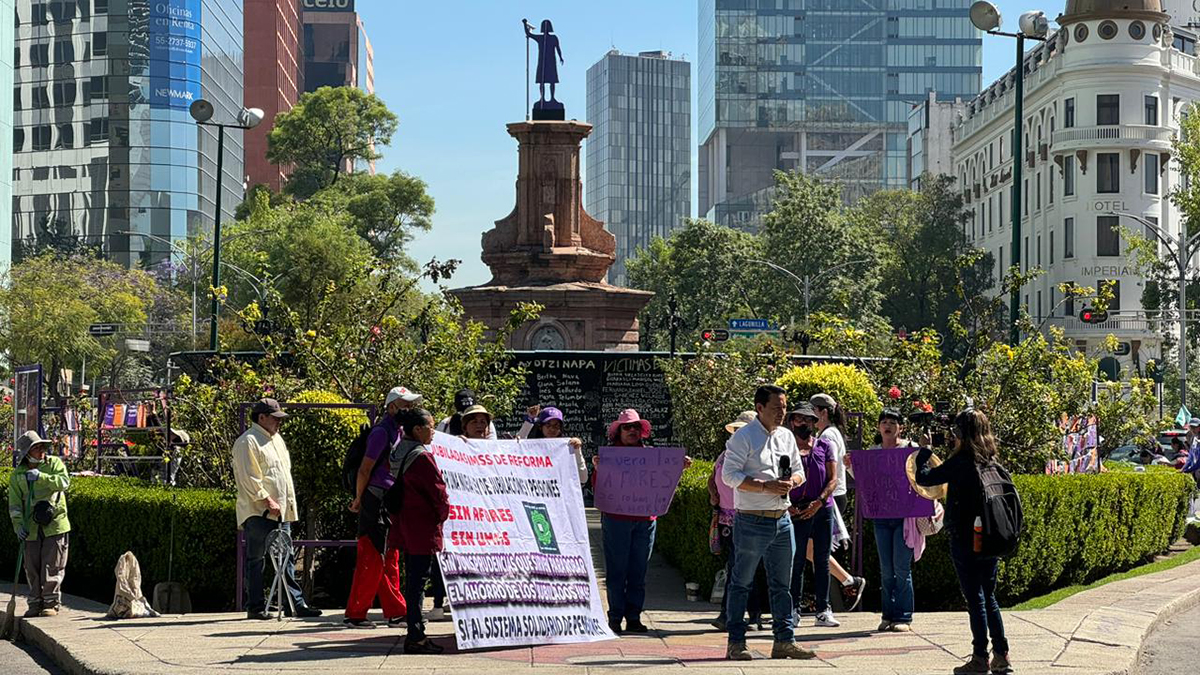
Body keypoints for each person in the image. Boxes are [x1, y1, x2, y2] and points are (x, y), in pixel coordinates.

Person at [721, 385, 816, 661]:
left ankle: (784, 640)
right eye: (777, 408)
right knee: (742, 583)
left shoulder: (786, 436)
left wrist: (792, 482)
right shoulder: (743, 437)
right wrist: (765, 487)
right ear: (759, 408)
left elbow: (799, 472)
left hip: (783, 519)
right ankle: (736, 642)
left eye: (784, 408)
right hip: (751, 520)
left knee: (782, 584)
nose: (782, 413)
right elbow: (730, 475)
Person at [914, 409, 1011, 675]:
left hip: (966, 539)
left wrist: (924, 450)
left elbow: (925, 477)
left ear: (960, 433)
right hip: (990, 537)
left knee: (975, 599)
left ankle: (980, 656)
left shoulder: (962, 462)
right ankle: (1001, 655)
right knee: (989, 597)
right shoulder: (992, 463)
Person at [232, 398, 322, 620]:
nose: (279, 422)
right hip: (260, 511)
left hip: (280, 510)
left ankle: (295, 604)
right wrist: (267, 501)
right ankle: (255, 606)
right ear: (261, 417)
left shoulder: (277, 439)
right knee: (257, 559)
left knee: (286, 557)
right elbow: (249, 478)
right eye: (275, 418)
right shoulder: (248, 442)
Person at [343, 386, 420, 629]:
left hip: (388, 499)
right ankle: (356, 614)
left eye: (410, 405)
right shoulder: (381, 432)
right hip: (375, 499)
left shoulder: (398, 431)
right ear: (391, 407)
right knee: (372, 555)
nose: (408, 409)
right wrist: (359, 498)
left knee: (389, 556)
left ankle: (396, 611)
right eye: (404, 404)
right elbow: (365, 468)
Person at [853, 409, 922, 633]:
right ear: (878, 427)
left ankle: (904, 617)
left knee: (901, 568)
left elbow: (922, 473)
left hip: (904, 518)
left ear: (899, 427)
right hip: (881, 517)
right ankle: (887, 615)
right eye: (884, 422)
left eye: (893, 422)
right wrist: (849, 465)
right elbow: (864, 480)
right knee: (886, 569)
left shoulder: (908, 449)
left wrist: (923, 449)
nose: (888, 425)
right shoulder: (873, 452)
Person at [388, 408, 450, 654]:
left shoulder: (398, 451)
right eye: (430, 426)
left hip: (405, 524)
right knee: (418, 584)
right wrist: (442, 516)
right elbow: (438, 492)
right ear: (417, 429)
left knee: (413, 581)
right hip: (422, 527)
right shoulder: (422, 456)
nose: (433, 431)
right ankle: (416, 636)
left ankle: (416, 633)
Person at [595, 408, 659, 634]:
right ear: (618, 432)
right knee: (617, 570)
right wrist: (598, 470)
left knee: (638, 571)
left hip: (645, 520)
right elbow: (597, 488)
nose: (632, 430)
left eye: (635, 427)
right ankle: (615, 617)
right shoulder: (608, 457)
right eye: (627, 427)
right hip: (617, 519)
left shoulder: (653, 456)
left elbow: (663, 482)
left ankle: (633, 616)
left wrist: (678, 467)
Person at [708, 411, 768, 632]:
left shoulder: (755, 455)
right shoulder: (725, 455)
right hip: (727, 518)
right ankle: (734, 614)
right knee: (735, 568)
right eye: (736, 430)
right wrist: (713, 494)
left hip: (748, 517)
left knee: (743, 568)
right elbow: (712, 478)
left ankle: (746, 615)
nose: (738, 433)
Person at [809, 393, 867, 611]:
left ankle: (846, 585)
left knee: (815, 551)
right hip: (831, 495)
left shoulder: (828, 436)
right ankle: (834, 597)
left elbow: (827, 469)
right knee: (815, 551)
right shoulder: (830, 433)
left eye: (813, 411)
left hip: (830, 496)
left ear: (823, 412)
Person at [785, 404, 840, 628]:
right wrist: (787, 504)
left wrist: (819, 502)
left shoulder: (824, 446)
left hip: (821, 509)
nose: (804, 424)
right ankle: (794, 609)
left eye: (808, 420)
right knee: (796, 561)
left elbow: (833, 478)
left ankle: (823, 609)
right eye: (799, 420)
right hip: (796, 509)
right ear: (791, 422)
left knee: (822, 559)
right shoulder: (785, 448)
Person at [8, 431, 70, 617]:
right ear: (27, 452)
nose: (41, 450)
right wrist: (18, 527)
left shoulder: (54, 464)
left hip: (55, 523)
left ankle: (51, 603)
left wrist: (42, 477)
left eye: (42, 446)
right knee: (32, 566)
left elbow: (64, 482)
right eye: (36, 448)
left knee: (53, 564)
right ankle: (35, 602)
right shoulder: (17, 475)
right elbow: (15, 505)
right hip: (31, 528)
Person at [519, 405, 588, 484]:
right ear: (541, 427)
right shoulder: (532, 448)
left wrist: (577, 451)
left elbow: (583, 478)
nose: (552, 429)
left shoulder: (568, 448)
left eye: (556, 426)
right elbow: (517, 446)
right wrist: (529, 421)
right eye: (548, 425)